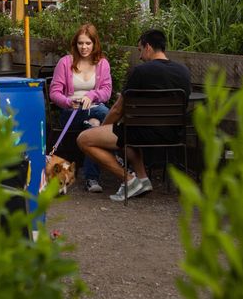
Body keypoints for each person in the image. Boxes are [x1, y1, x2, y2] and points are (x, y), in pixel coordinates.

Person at [77, 29, 191, 202]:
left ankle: (129, 180)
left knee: (84, 139)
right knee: (129, 129)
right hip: (174, 134)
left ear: (148, 47)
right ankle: (143, 179)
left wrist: (102, 129)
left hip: (142, 133)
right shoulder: (183, 71)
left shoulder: (141, 71)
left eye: (139, 50)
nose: (139, 56)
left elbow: (117, 110)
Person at [49, 24, 113, 193]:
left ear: (95, 44)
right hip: (71, 114)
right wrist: (69, 101)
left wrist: (91, 96)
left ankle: (92, 179)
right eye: (80, 43)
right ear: (75, 44)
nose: (84, 47)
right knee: (104, 115)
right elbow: (54, 93)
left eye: (88, 43)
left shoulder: (102, 64)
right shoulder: (65, 63)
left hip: (93, 111)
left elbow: (106, 92)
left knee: (94, 125)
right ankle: (116, 134)